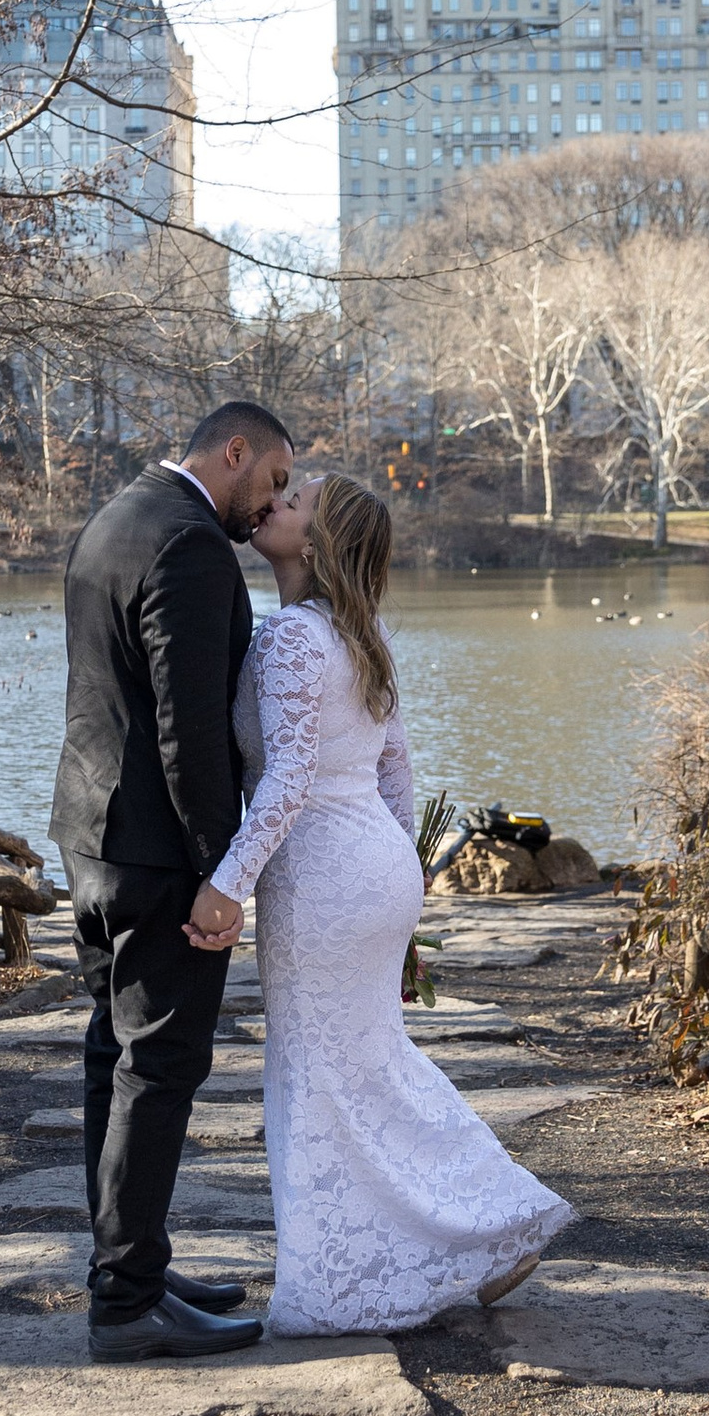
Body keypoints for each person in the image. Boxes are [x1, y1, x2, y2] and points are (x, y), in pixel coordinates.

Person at [188, 470, 574, 1334]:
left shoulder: (291, 637)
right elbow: (396, 769)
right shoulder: (362, 632)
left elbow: (287, 781)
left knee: (324, 1072)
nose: (273, 504)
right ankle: (485, 1222)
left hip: (323, 879)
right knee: (373, 1062)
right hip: (375, 868)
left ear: (317, 543)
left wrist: (226, 885)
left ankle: (377, 1266)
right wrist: (406, 891)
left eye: (294, 503)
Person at [50, 400, 293, 1360]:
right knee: (157, 1067)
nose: (270, 504)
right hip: (157, 855)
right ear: (235, 452)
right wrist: (219, 871)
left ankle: (132, 1264)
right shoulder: (191, 544)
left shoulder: (115, 518)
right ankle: (126, 1304)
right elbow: (187, 731)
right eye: (273, 480)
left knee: (114, 1056)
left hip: (90, 836)